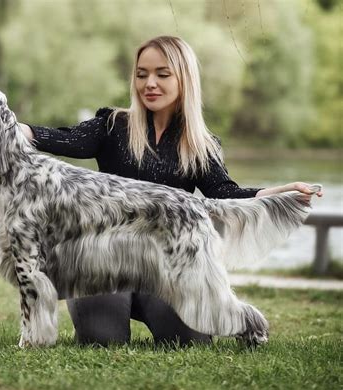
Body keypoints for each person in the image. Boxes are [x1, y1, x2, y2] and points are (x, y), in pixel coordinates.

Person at [20, 36, 323, 347]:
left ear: (184, 79)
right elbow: (57, 138)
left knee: (190, 341)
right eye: (141, 74)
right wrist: (4, 124)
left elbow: (224, 193)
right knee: (103, 341)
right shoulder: (111, 125)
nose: (149, 83)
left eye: (162, 74)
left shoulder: (200, 145)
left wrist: (278, 193)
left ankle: (247, 322)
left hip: (166, 269)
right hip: (102, 261)